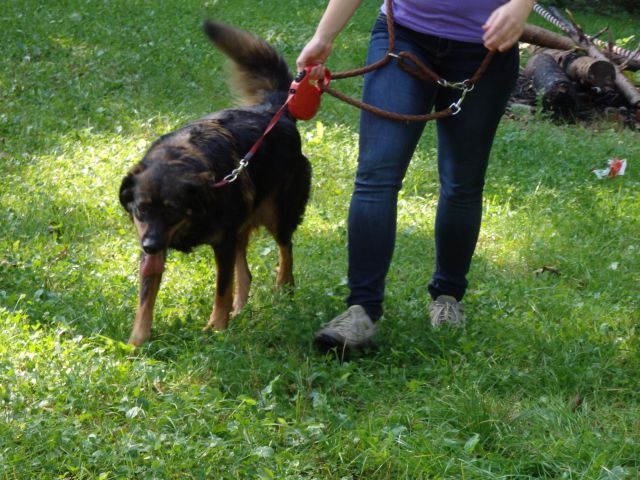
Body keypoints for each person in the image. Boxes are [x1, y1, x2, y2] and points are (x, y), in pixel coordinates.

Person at [297, 0, 533, 351]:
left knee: (462, 183)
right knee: (377, 174)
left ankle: (448, 298)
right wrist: (323, 36)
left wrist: (520, 6)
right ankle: (361, 311)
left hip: (485, 49)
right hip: (403, 38)